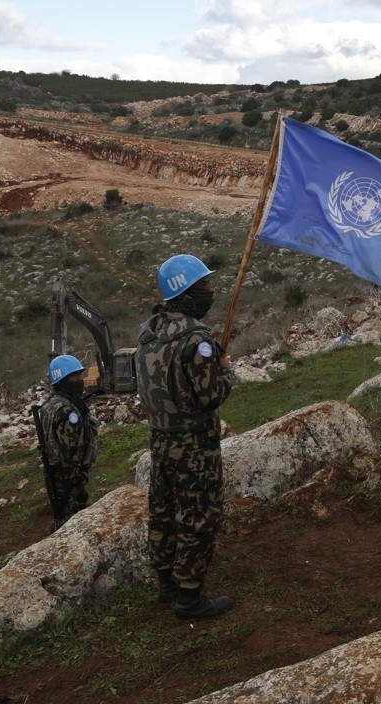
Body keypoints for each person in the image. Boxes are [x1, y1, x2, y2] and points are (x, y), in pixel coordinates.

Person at [136, 254, 234, 620]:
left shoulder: (148, 331)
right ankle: (190, 598)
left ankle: (167, 583)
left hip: (160, 439)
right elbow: (209, 396)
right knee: (198, 516)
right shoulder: (197, 339)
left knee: (162, 512)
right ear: (187, 292)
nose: (210, 291)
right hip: (194, 446)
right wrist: (226, 372)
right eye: (204, 286)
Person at [35, 354, 99, 533]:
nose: (80, 380)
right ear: (62, 380)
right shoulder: (67, 409)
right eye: (75, 376)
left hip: (57, 473)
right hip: (69, 477)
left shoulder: (50, 404)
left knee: (63, 516)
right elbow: (71, 452)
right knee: (72, 521)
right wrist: (77, 478)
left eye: (79, 375)